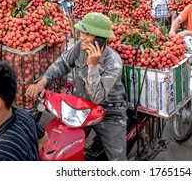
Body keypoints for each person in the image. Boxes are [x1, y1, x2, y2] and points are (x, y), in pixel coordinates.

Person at [26, 13, 127, 161]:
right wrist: (42, 82)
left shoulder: (113, 62)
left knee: (118, 160)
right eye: (81, 32)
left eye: (87, 34)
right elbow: (62, 63)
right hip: (81, 109)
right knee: (60, 144)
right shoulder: (80, 48)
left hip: (109, 113)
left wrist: (92, 66)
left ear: (99, 38)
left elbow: (97, 98)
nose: (81, 37)